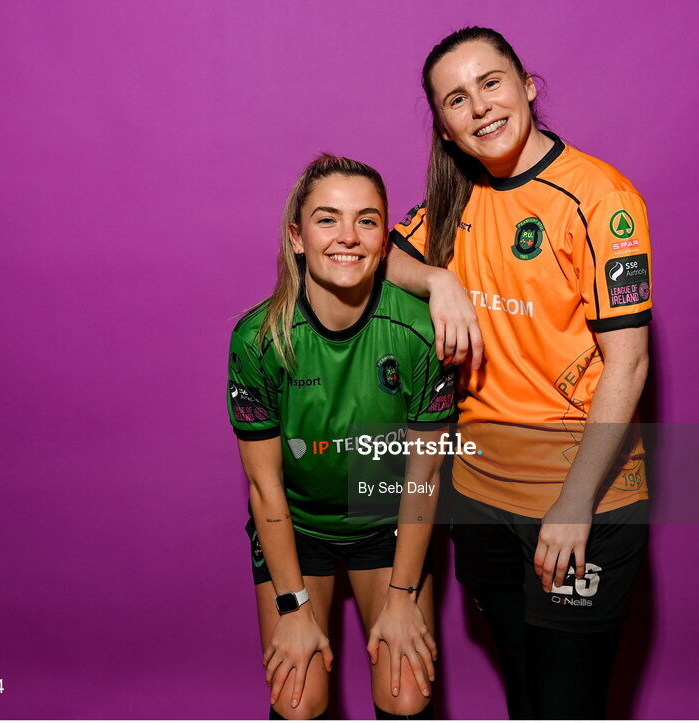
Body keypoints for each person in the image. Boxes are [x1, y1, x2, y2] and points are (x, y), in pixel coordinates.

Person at [384, 27, 653, 719]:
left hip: (576, 499)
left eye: (491, 83)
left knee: (567, 707)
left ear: (528, 84)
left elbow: (630, 360)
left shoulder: (600, 198)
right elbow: (377, 254)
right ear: (444, 127)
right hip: (479, 498)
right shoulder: (454, 200)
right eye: (456, 99)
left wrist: (574, 505)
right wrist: (439, 278)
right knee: (527, 699)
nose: (479, 107)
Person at [228, 154, 456, 720]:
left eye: (367, 220)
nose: (347, 237)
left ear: (386, 242)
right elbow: (265, 491)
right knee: (297, 700)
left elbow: (425, 478)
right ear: (297, 236)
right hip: (298, 527)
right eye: (327, 219)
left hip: (385, 518)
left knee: (408, 694)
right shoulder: (258, 339)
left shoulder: (423, 331)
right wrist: (293, 606)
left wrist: (402, 600)